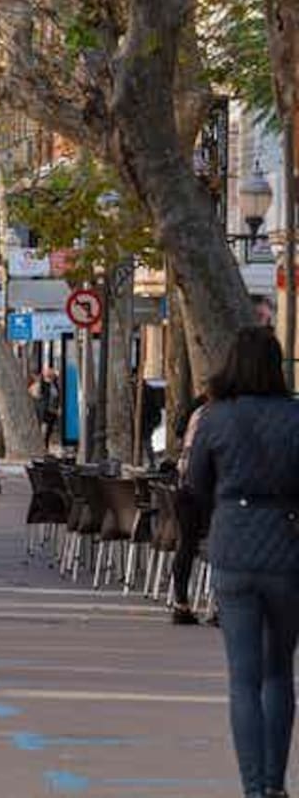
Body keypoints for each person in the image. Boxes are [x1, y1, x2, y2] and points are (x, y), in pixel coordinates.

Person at [187, 327, 299, 798]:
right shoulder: (295, 417)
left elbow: (195, 483)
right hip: (287, 545)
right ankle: (275, 784)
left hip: (233, 543)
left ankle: (253, 788)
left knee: (243, 677)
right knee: (279, 672)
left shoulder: (215, 418)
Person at [171, 388, 210, 626]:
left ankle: (181, 602)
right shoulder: (215, 414)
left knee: (186, 545)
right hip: (204, 489)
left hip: (184, 486)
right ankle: (216, 607)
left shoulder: (197, 411)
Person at [30, 366, 62, 449]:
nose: (51, 376)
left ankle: (46, 445)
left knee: (49, 430)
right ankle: (41, 445)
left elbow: (58, 397)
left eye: (52, 374)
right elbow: (35, 392)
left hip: (53, 410)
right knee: (43, 428)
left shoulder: (55, 385)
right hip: (45, 409)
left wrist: (58, 407)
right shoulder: (43, 384)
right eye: (49, 374)